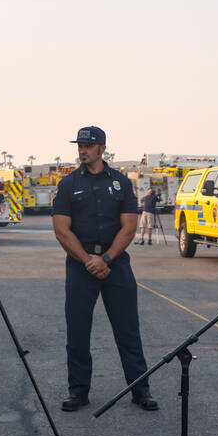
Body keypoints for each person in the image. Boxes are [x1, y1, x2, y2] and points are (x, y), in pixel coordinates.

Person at [51, 126, 155, 412]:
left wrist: (106, 259)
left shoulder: (121, 183)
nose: (82, 150)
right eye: (80, 145)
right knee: (78, 332)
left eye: (88, 145)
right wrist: (88, 260)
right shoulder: (69, 184)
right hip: (80, 264)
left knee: (128, 331)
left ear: (102, 148)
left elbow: (129, 226)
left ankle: (140, 390)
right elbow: (61, 229)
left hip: (115, 263)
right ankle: (79, 391)